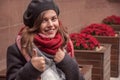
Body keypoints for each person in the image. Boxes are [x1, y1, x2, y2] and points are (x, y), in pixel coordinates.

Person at [6, 0, 85, 80]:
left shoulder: (64, 44)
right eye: (44, 20)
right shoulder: (19, 49)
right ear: (35, 24)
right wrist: (31, 69)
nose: (50, 25)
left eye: (53, 19)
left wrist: (67, 63)